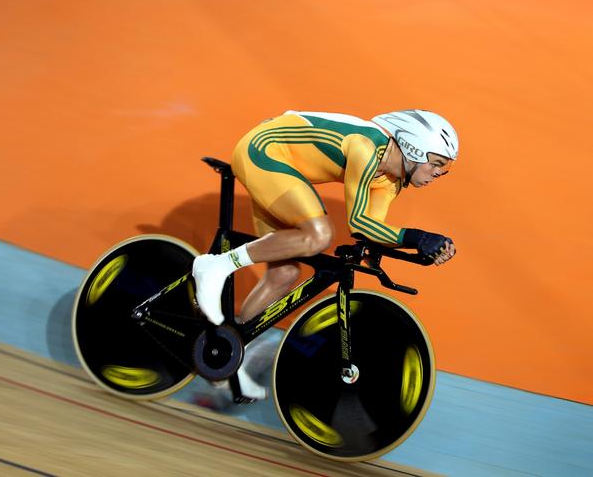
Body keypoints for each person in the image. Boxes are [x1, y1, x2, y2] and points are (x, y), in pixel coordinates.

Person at [192, 109, 458, 401]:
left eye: (442, 169)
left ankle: (226, 354)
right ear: (413, 147)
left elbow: (371, 231)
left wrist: (424, 251)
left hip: (282, 166)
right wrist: (416, 237)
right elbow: (358, 221)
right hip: (264, 149)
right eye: (436, 164)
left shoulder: (390, 182)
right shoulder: (367, 147)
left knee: (284, 274)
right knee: (318, 235)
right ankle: (216, 266)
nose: (438, 174)